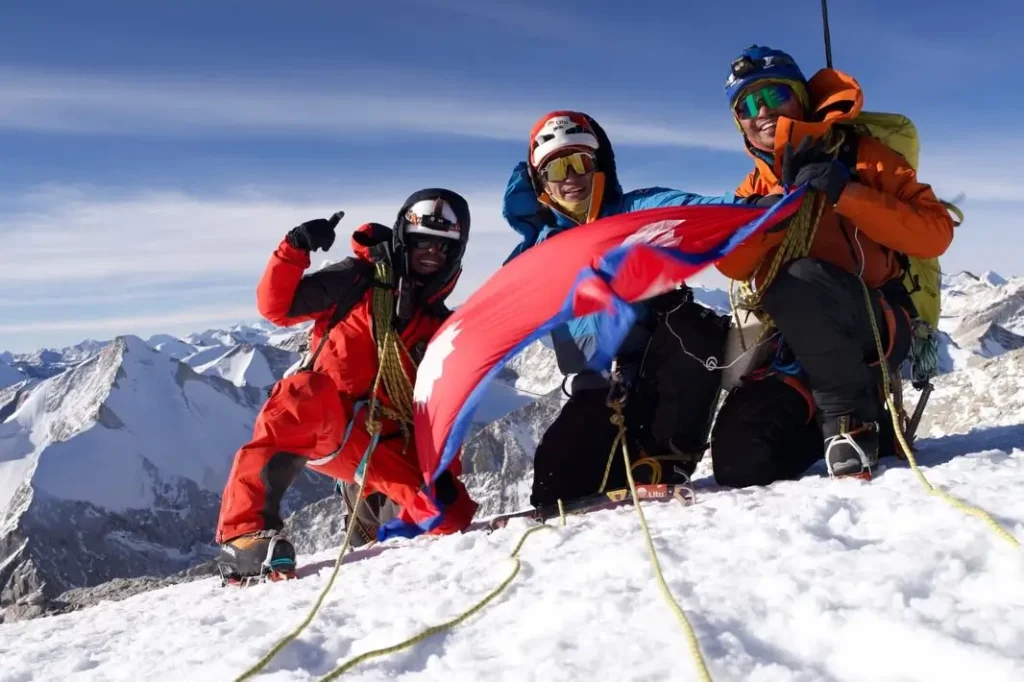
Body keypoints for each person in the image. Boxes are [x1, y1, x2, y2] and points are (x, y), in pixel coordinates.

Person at [710, 46, 954, 483]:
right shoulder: (753, 185)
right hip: (797, 342)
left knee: (797, 279)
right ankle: (847, 421)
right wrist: (762, 221)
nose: (760, 111)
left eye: (773, 95)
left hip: (872, 326)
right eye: (745, 105)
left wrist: (847, 193)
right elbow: (733, 267)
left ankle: (850, 420)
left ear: (800, 97)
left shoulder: (862, 157)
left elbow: (934, 232)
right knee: (739, 460)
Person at [215, 189, 478, 580]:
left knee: (446, 512)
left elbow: (439, 412)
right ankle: (244, 535)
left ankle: (386, 535)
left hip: (386, 440)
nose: (431, 253)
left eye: (443, 247)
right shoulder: (356, 279)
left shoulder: (439, 325)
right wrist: (294, 249)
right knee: (304, 393)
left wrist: (445, 479)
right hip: (329, 420)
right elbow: (277, 307)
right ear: (404, 238)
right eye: (422, 241)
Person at [502, 110, 739, 508]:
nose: (571, 177)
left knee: (692, 324)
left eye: (580, 161)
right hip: (593, 389)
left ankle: (667, 459)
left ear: (599, 165)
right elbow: (498, 314)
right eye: (557, 167)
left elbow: (699, 210)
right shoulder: (536, 255)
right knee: (556, 485)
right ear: (541, 183)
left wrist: (752, 207)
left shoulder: (636, 212)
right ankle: (625, 470)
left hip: (655, 367)